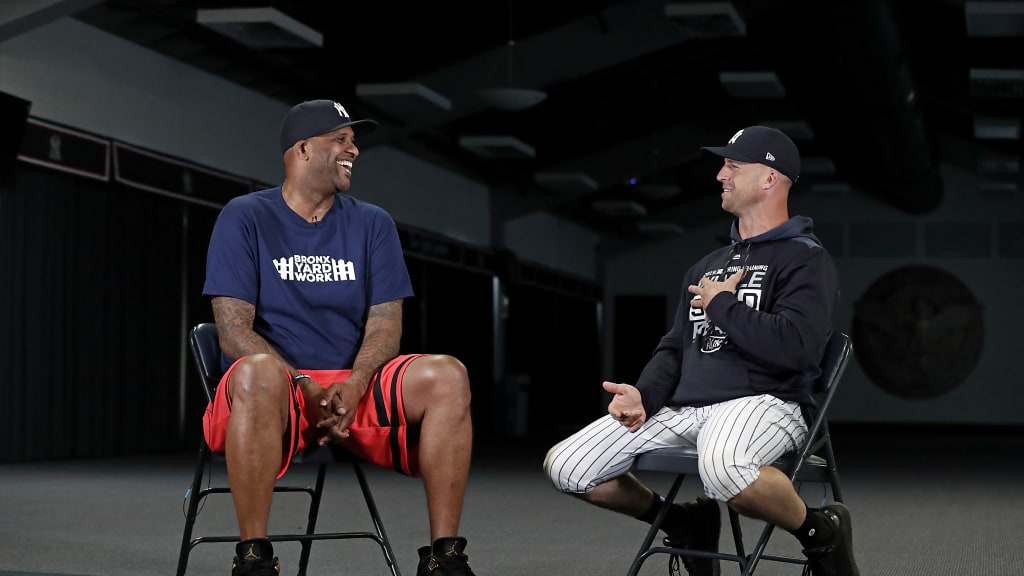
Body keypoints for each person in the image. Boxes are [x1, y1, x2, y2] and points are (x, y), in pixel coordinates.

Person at [543, 126, 858, 576]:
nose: (719, 176)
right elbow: (675, 347)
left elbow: (796, 348)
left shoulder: (805, 259)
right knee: (568, 466)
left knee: (723, 469)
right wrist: (644, 396)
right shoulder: (708, 265)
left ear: (770, 178)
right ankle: (684, 521)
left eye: (733, 166)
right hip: (687, 408)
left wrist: (723, 304)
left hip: (768, 401)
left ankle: (819, 531)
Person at [202, 99, 479, 576]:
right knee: (257, 371)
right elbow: (232, 332)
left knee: (449, 374)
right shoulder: (244, 216)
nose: (354, 149)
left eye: (354, 140)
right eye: (342, 138)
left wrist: (354, 383)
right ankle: (253, 557)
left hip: (354, 387)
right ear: (303, 149)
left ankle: (444, 556)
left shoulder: (373, 222)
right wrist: (305, 384)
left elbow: (385, 325)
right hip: (276, 390)